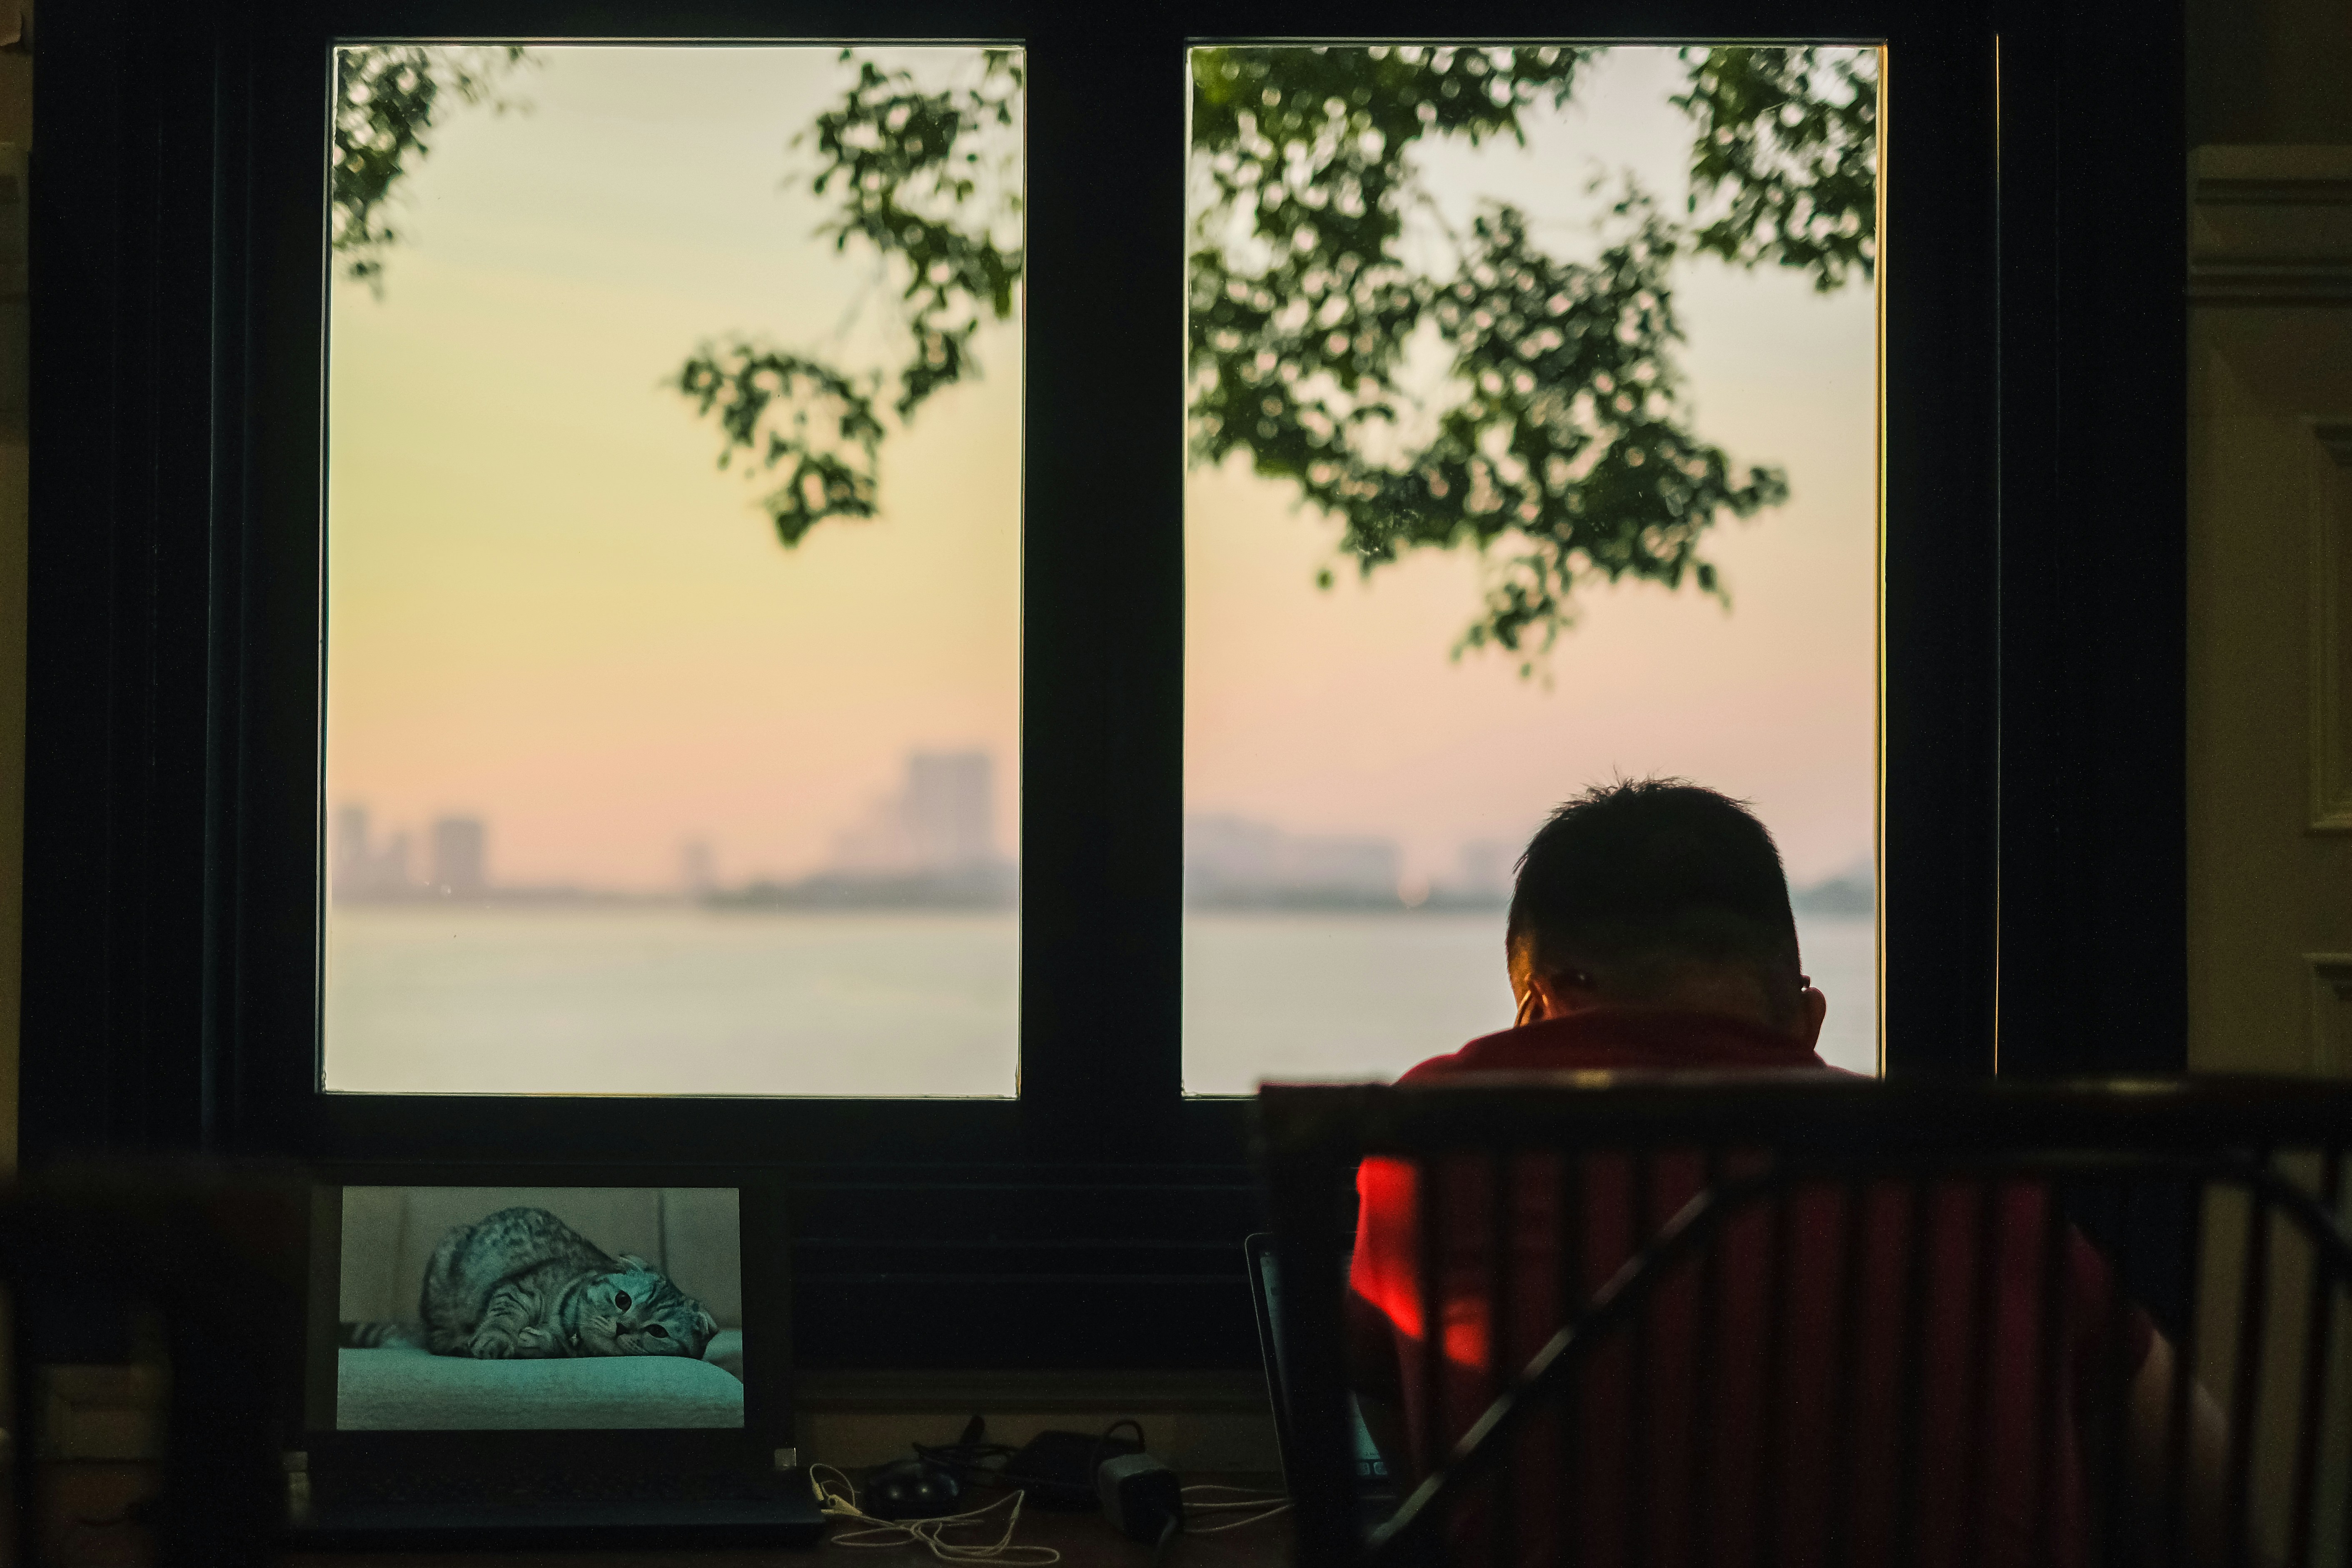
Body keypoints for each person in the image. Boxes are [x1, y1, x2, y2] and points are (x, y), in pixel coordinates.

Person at [1346, 778, 2232, 1568]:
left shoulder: (1430, 1133)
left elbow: (1429, 1479)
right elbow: (2200, 1473)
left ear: (1532, 1007)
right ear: (1804, 1017)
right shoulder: (1954, 1155)